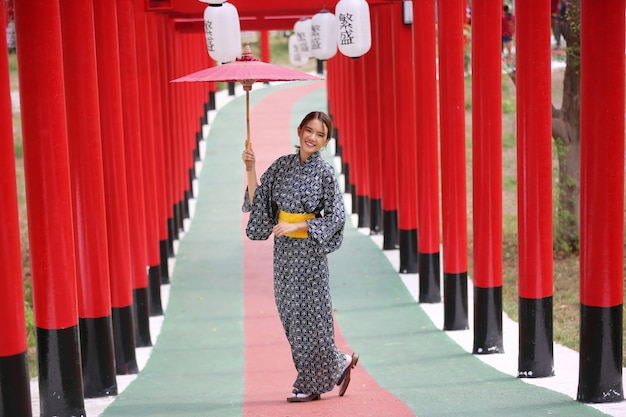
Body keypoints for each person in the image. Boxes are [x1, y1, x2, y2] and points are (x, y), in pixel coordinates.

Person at [241, 111, 358, 403]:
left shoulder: (325, 172)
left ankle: (311, 382)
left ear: (327, 140)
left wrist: (298, 225)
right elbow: (260, 203)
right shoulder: (282, 166)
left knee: (313, 318)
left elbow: (336, 215)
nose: (312, 138)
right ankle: (338, 361)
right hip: (284, 254)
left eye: (320, 134)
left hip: (310, 254)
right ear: (299, 130)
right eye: (309, 131)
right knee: (291, 315)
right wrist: (250, 168)